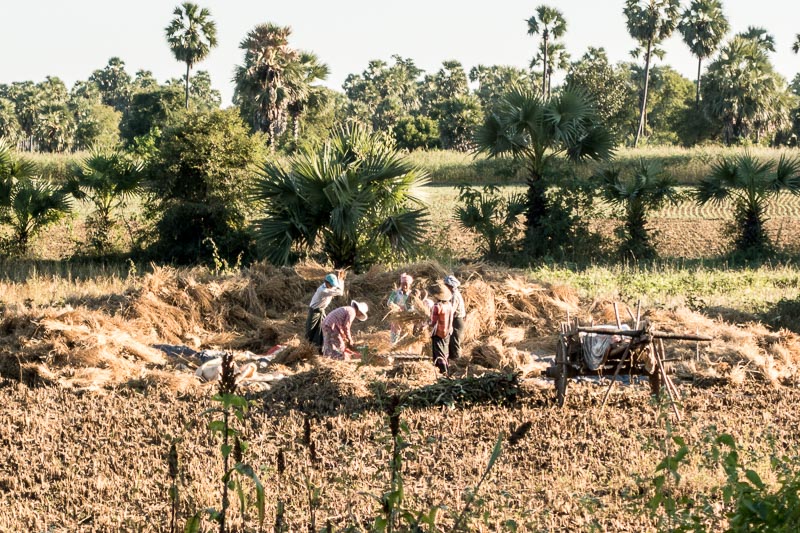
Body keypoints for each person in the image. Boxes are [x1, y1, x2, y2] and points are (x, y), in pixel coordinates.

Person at [305, 270, 346, 349]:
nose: (332, 286)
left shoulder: (328, 286)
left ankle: (319, 347)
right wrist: (341, 280)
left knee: (322, 329)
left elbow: (337, 289)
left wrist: (339, 279)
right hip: (314, 312)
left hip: (321, 311)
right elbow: (340, 293)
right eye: (331, 285)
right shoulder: (323, 290)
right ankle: (307, 347)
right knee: (310, 331)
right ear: (326, 283)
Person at [428, 282, 454, 374]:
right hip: (448, 332)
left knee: (439, 353)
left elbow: (433, 322)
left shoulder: (437, 306)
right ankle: (447, 369)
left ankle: (443, 371)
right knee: (445, 352)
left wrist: (426, 324)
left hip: (438, 333)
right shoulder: (449, 305)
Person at [387, 273, 414, 344]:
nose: (404, 286)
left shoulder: (411, 294)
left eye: (406, 284)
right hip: (397, 318)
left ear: (410, 285)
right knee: (395, 336)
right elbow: (389, 303)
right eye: (403, 284)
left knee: (406, 337)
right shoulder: (395, 293)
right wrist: (398, 308)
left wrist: (409, 312)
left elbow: (413, 307)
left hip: (407, 319)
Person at [443, 275, 466, 362]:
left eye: (446, 285)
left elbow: (451, 311)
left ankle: (457, 362)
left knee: (454, 341)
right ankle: (451, 361)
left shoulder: (454, 296)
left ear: (451, 286)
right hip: (455, 320)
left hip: (457, 321)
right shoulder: (452, 294)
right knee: (451, 341)